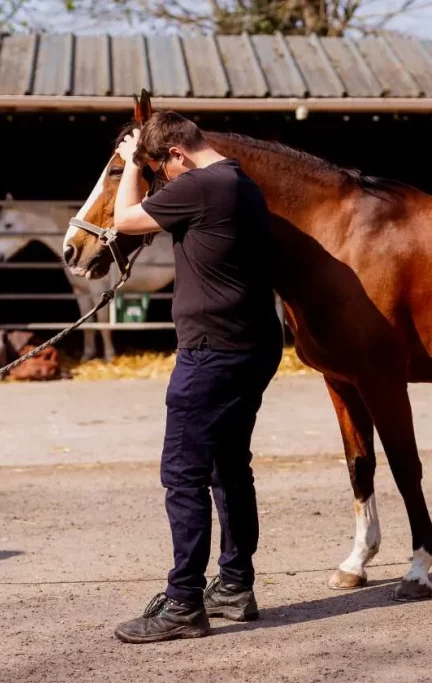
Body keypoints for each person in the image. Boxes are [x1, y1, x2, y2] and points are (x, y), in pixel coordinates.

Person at [109, 112, 282, 643]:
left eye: (165, 168)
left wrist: (133, 165)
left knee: (182, 477)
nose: (165, 178)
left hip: (209, 353)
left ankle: (184, 602)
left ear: (178, 155)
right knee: (230, 467)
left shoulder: (203, 185)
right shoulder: (241, 182)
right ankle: (234, 584)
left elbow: (124, 221)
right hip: (253, 344)